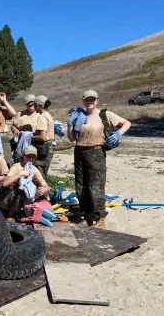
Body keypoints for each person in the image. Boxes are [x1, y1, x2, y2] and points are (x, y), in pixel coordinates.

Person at [67, 90, 132, 229]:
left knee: (96, 186)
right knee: (81, 186)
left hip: (96, 152)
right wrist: (69, 124)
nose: (89, 102)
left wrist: (119, 133)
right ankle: (87, 216)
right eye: (87, 100)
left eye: (92, 99)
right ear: (83, 101)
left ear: (97, 100)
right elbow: (72, 138)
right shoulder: (79, 115)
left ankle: (100, 219)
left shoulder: (104, 114)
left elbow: (127, 123)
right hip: (79, 151)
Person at [0, 146, 50, 221]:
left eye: (33, 157)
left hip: (21, 198)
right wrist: (20, 174)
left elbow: (45, 184)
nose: (30, 159)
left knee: (42, 194)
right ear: (23, 156)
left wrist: (44, 189)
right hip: (6, 197)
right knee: (19, 193)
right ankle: (11, 215)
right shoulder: (16, 167)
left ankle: (32, 214)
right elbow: (5, 183)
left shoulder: (33, 169)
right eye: (28, 156)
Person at [11, 94, 40, 163]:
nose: (30, 104)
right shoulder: (20, 114)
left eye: (32, 103)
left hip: (35, 143)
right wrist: (15, 130)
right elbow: (13, 126)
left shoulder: (40, 115)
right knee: (19, 164)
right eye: (28, 103)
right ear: (26, 104)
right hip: (20, 143)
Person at [33, 95, 55, 181]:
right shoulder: (48, 115)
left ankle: (42, 194)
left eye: (35, 104)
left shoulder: (42, 117)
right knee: (43, 175)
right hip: (49, 148)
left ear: (40, 105)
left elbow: (43, 137)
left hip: (43, 149)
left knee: (40, 177)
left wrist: (31, 136)